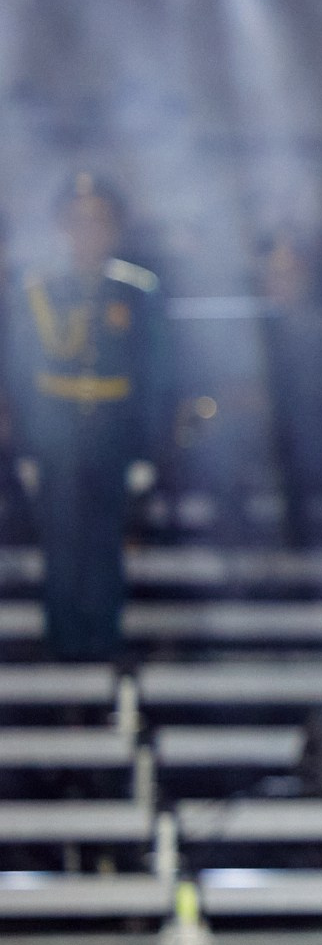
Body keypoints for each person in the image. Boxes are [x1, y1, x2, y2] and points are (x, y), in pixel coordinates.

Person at [5, 174, 163, 663]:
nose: (88, 232)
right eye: (78, 222)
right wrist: (26, 446)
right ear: (62, 229)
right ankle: (64, 638)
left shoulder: (137, 290)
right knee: (60, 537)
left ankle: (103, 636)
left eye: (98, 221)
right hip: (56, 430)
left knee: (106, 539)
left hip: (113, 430)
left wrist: (147, 450)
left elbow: (155, 378)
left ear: (114, 229)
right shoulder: (37, 289)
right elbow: (18, 372)